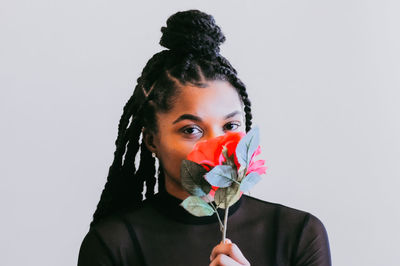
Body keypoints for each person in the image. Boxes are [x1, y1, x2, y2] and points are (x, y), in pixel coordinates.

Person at [78, 9, 331, 266]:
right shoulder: (113, 244)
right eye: (191, 130)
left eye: (231, 125)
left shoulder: (298, 234)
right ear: (152, 140)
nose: (219, 146)